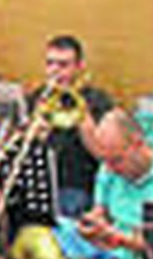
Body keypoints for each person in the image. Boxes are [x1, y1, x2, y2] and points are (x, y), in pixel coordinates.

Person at [17, 108, 153, 259]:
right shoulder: (109, 166)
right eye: (105, 161)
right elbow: (100, 210)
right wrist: (91, 224)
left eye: (117, 160)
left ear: (139, 144)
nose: (110, 169)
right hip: (108, 255)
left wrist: (118, 238)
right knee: (38, 232)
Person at [32, 34, 113, 217]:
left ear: (79, 67)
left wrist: (82, 116)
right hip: (43, 182)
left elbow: (103, 154)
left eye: (63, 65)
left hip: (78, 185)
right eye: (50, 64)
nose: (54, 71)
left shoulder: (97, 100)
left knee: (70, 205)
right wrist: (36, 134)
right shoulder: (38, 97)